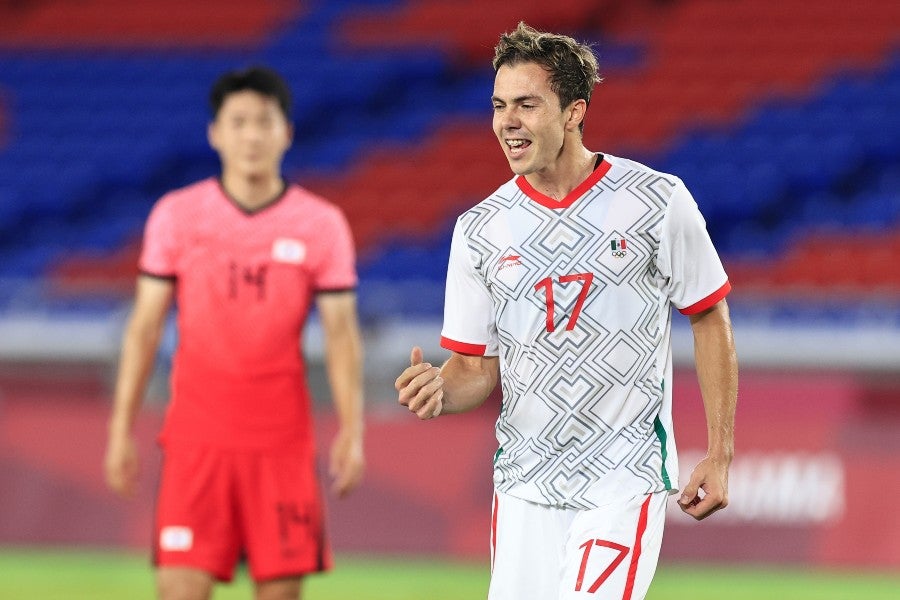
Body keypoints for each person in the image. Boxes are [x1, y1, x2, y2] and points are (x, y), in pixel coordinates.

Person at [395, 22, 737, 600]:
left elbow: (709, 317)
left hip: (622, 478)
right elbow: (476, 369)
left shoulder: (655, 201)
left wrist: (721, 451)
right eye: (499, 105)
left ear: (574, 111)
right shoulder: (479, 229)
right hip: (525, 483)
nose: (507, 121)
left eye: (527, 104)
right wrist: (438, 392)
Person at [104, 66, 365, 600]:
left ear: (286, 132)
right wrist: (120, 428)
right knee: (178, 590)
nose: (251, 135)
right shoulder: (176, 216)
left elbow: (341, 334)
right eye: (238, 121)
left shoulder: (321, 224)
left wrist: (352, 429)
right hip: (196, 441)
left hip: (281, 444)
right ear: (215, 133)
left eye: (264, 121)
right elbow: (144, 327)